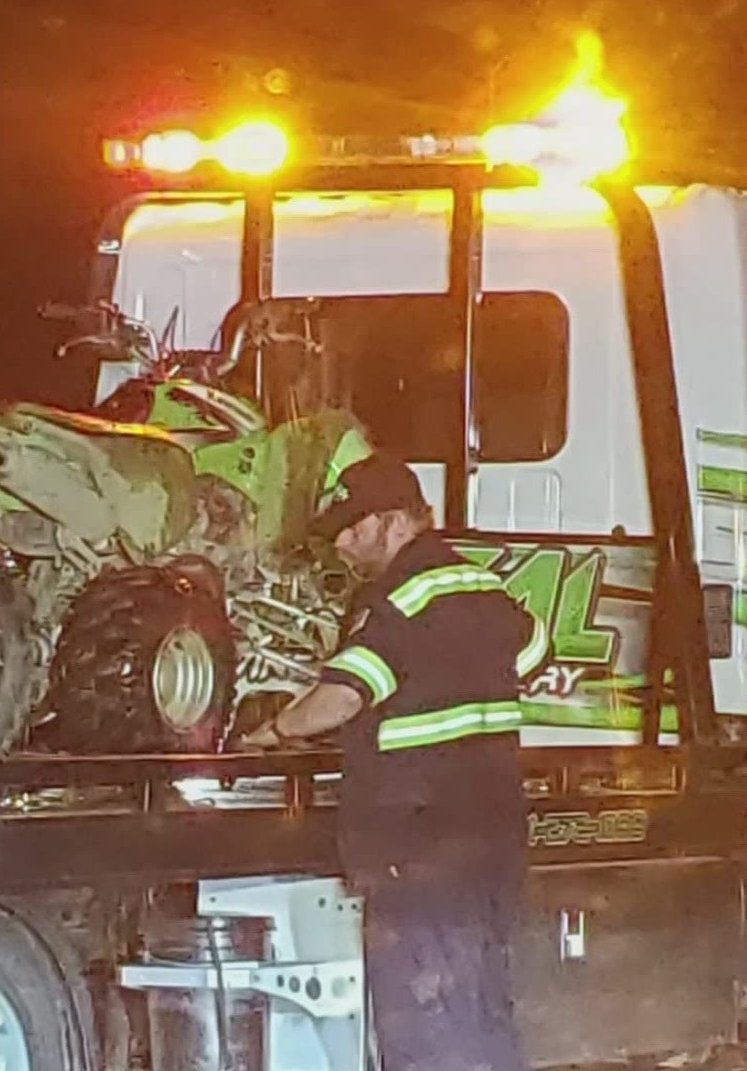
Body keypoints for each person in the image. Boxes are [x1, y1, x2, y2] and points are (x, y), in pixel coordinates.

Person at [243, 453, 534, 1071]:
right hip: (492, 838)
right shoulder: (483, 585)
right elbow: (533, 648)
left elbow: (346, 695)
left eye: (354, 528)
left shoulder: (396, 597)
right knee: (482, 1012)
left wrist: (270, 731)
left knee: (426, 1030)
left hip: (418, 846)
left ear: (397, 521)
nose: (344, 546)